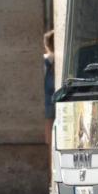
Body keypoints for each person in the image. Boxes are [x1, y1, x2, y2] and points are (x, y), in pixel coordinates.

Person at [43, 30, 55, 175]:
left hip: (46, 106)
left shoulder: (45, 61)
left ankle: (49, 173)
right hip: (56, 105)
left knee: (48, 141)